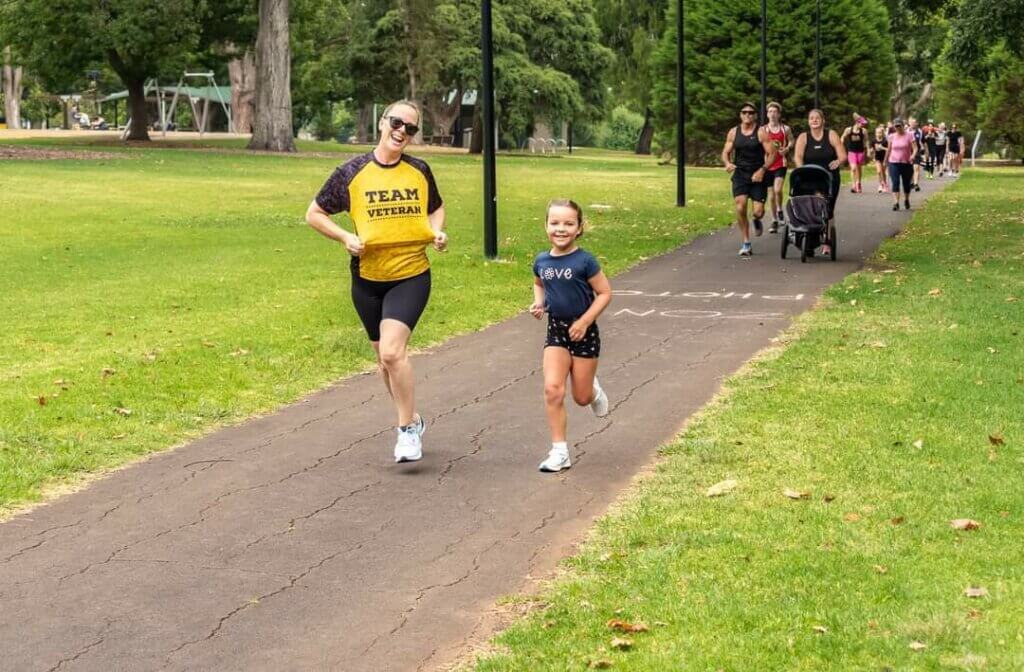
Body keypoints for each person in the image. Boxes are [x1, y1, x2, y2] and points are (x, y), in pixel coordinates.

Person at [305, 100, 448, 464]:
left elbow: (435, 206)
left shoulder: (419, 170)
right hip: (368, 278)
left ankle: (405, 432)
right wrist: (344, 238)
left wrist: (436, 231)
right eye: (397, 123)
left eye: (411, 128)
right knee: (385, 362)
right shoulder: (352, 172)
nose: (402, 131)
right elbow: (314, 213)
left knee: (391, 352)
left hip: (411, 273)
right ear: (382, 122)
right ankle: (413, 419)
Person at [530, 200, 612, 473]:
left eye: (568, 224)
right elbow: (539, 282)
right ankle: (560, 452)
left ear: (579, 228)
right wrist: (539, 304)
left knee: (581, 396)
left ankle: (593, 389)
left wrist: (586, 321)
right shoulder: (542, 260)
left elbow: (605, 293)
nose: (561, 229)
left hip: (584, 333)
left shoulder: (585, 261)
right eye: (554, 223)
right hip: (556, 330)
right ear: (546, 226)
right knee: (553, 389)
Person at [721, 102, 778, 256]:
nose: (747, 115)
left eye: (751, 113)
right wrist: (727, 163)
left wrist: (762, 170)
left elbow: (772, 154)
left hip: (757, 175)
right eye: (744, 112)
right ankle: (746, 242)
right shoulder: (733, 132)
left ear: (755, 116)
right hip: (740, 174)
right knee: (740, 206)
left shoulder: (760, 133)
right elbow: (725, 152)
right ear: (740, 115)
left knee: (758, 211)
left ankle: (757, 219)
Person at [793, 108, 846, 257]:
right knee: (808, 206)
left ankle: (828, 240)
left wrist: (838, 161)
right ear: (808, 121)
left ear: (823, 121)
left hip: (828, 178)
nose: (814, 120)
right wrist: (801, 169)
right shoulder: (804, 137)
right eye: (811, 118)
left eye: (817, 118)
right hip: (809, 177)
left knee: (827, 209)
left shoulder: (831, 135)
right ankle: (808, 239)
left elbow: (842, 154)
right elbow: (797, 156)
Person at [762, 101, 794, 233]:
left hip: (781, 162)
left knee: (778, 189)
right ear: (767, 114)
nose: (772, 114)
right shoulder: (763, 130)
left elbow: (792, 141)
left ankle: (780, 209)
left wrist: (786, 149)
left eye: (775, 112)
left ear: (779, 114)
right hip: (768, 163)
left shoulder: (785, 129)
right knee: (770, 194)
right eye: (770, 111)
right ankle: (774, 220)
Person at [884, 116, 919, 212]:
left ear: (903, 125)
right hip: (893, 162)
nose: (897, 128)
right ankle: (896, 203)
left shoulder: (910, 135)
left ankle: (906, 199)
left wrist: (913, 155)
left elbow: (915, 148)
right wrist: (885, 161)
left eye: (899, 126)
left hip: (906, 163)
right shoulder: (892, 136)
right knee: (895, 182)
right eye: (896, 126)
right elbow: (889, 149)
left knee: (906, 184)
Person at [841, 114, 869, 193]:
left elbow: (866, 141)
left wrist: (868, 150)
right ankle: (853, 185)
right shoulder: (848, 130)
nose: (863, 125)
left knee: (859, 168)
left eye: (864, 124)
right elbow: (843, 136)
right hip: (851, 151)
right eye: (862, 123)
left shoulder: (864, 131)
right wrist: (841, 142)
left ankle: (858, 183)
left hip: (860, 151)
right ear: (857, 122)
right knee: (853, 168)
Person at [871, 125, 889, 193]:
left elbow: (888, 150)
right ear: (875, 133)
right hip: (877, 158)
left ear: (882, 133)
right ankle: (880, 184)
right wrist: (872, 152)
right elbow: (872, 149)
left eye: (880, 133)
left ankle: (885, 184)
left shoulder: (885, 141)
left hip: (884, 158)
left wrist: (882, 148)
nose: (878, 134)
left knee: (883, 172)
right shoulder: (873, 141)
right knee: (879, 171)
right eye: (877, 133)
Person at [908, 117, 924, 191]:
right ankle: (911, 182)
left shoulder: (920, 132)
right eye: (911, 122)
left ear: (916, 123)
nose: (913, 124)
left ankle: (916, 184)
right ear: (909, 123)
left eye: (914, 122)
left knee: (916, 167)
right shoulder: (906, 131)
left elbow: (921, 141)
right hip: (908, 152)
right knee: (910, 168)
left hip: (916, 151)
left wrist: (923, 147)